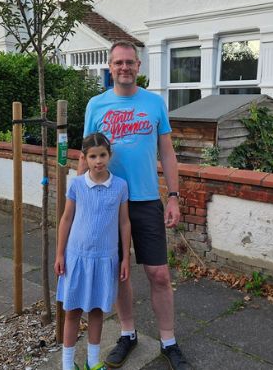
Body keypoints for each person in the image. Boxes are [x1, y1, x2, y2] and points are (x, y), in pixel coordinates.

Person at [81, 41, 192, 369]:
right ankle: (128, 333)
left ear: (138, 66)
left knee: (158, 274)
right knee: (118, 273)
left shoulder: (154, 103)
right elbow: (85, 155)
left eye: (130, 62)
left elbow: (168, 153)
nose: (124, 67)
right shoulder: (96, 105)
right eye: (118, 63)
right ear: (110, 66)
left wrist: (173, 196)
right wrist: (80, 198)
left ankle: (169, 340)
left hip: (145, 201)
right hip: (107, 201)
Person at [55, 133, 131, 370]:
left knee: (97, 311)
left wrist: (125, 257)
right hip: (76, 257)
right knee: (73, 311)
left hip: (105, 258)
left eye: (103, 155)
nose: (98, 161)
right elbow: (66, 219)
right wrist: (59, 254)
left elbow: (124, 223)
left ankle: (93, 362)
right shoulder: (77, 184)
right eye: (93, 156)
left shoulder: (120, 186)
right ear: (84, 158)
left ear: (110, 156)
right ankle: (67, 364)